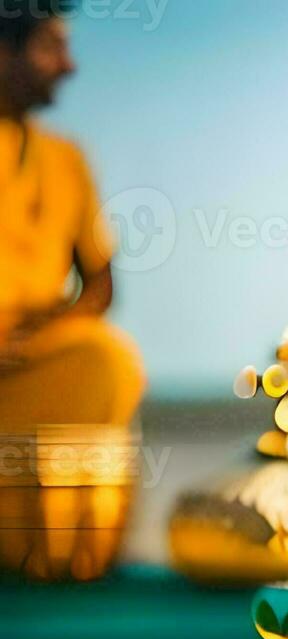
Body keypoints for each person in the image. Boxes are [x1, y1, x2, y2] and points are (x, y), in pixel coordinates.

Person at [0, 1, 144, 429]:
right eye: (50, 48)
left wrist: (38, 336)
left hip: (28, 362)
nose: (68, 66)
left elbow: (100, 282)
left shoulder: (67, 159)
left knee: (108, 362)